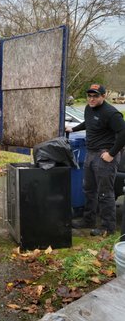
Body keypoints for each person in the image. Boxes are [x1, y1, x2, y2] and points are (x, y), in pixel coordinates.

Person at [66, 84, 125, 236]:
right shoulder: (88, 108)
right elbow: (89, 122)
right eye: (90, 96)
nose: (91, 99)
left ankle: (107, 228)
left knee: (105, 193)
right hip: (90, 154)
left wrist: (111, 154)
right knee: (89, 189)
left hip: (105, 156)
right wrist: (73, 129)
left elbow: (123, 134)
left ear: (103, 96)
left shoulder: (112, 114)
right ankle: (88, 219)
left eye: (95, 96)